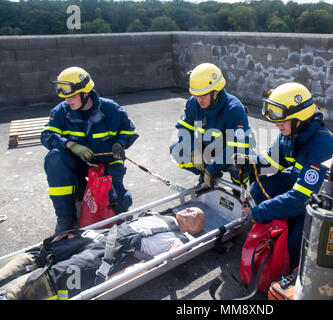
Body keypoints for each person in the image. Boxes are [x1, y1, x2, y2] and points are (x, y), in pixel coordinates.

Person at [236, 82, 333, 268]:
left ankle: (292, 239)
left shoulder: (324, 144)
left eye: (282, 121)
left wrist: (258, 212)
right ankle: (278, 224)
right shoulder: (290, 134)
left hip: (313, 205)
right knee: (258, 188)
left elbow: (301, 198)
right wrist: (249, 162)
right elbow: (270, 161)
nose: (277, 125)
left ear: (299, 118)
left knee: (289, 257)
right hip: (297, 187)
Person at [0, 207, 206, 300]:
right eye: (190, 208)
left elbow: (157, 264)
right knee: (46, 250)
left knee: (55, 277)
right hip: (98, 237)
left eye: (194, 214)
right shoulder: (158, 214)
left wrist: (116, 280)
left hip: (109, 255)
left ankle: (9, 294)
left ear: (194, 229)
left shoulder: (178, 241)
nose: (188, 210)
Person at [41, 67, 139, 233]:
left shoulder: (111, 109)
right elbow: (47, 135)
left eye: (72, 95)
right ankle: (66, 215)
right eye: (65, 97)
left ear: (85, 93)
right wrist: (71, 145)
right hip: (76, 164)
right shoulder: (61, 112)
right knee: (55, 158)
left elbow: (129, 131)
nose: (68, 100)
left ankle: (87, 189)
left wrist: (120, 144)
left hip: (105, 164)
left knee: (119, 209)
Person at [169, 62, 255, 190]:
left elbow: (237, 147)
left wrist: (213, 167)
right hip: (209, 146)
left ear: (216, 92)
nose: (199, 100)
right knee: (177, 149)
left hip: (231, 150)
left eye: (203, 95)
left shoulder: (234, 108)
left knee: (240, 163)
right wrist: (193, 150)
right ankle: (205, 178)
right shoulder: (194, 103)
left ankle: (239, 189)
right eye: (196, 95)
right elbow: (183, 129)